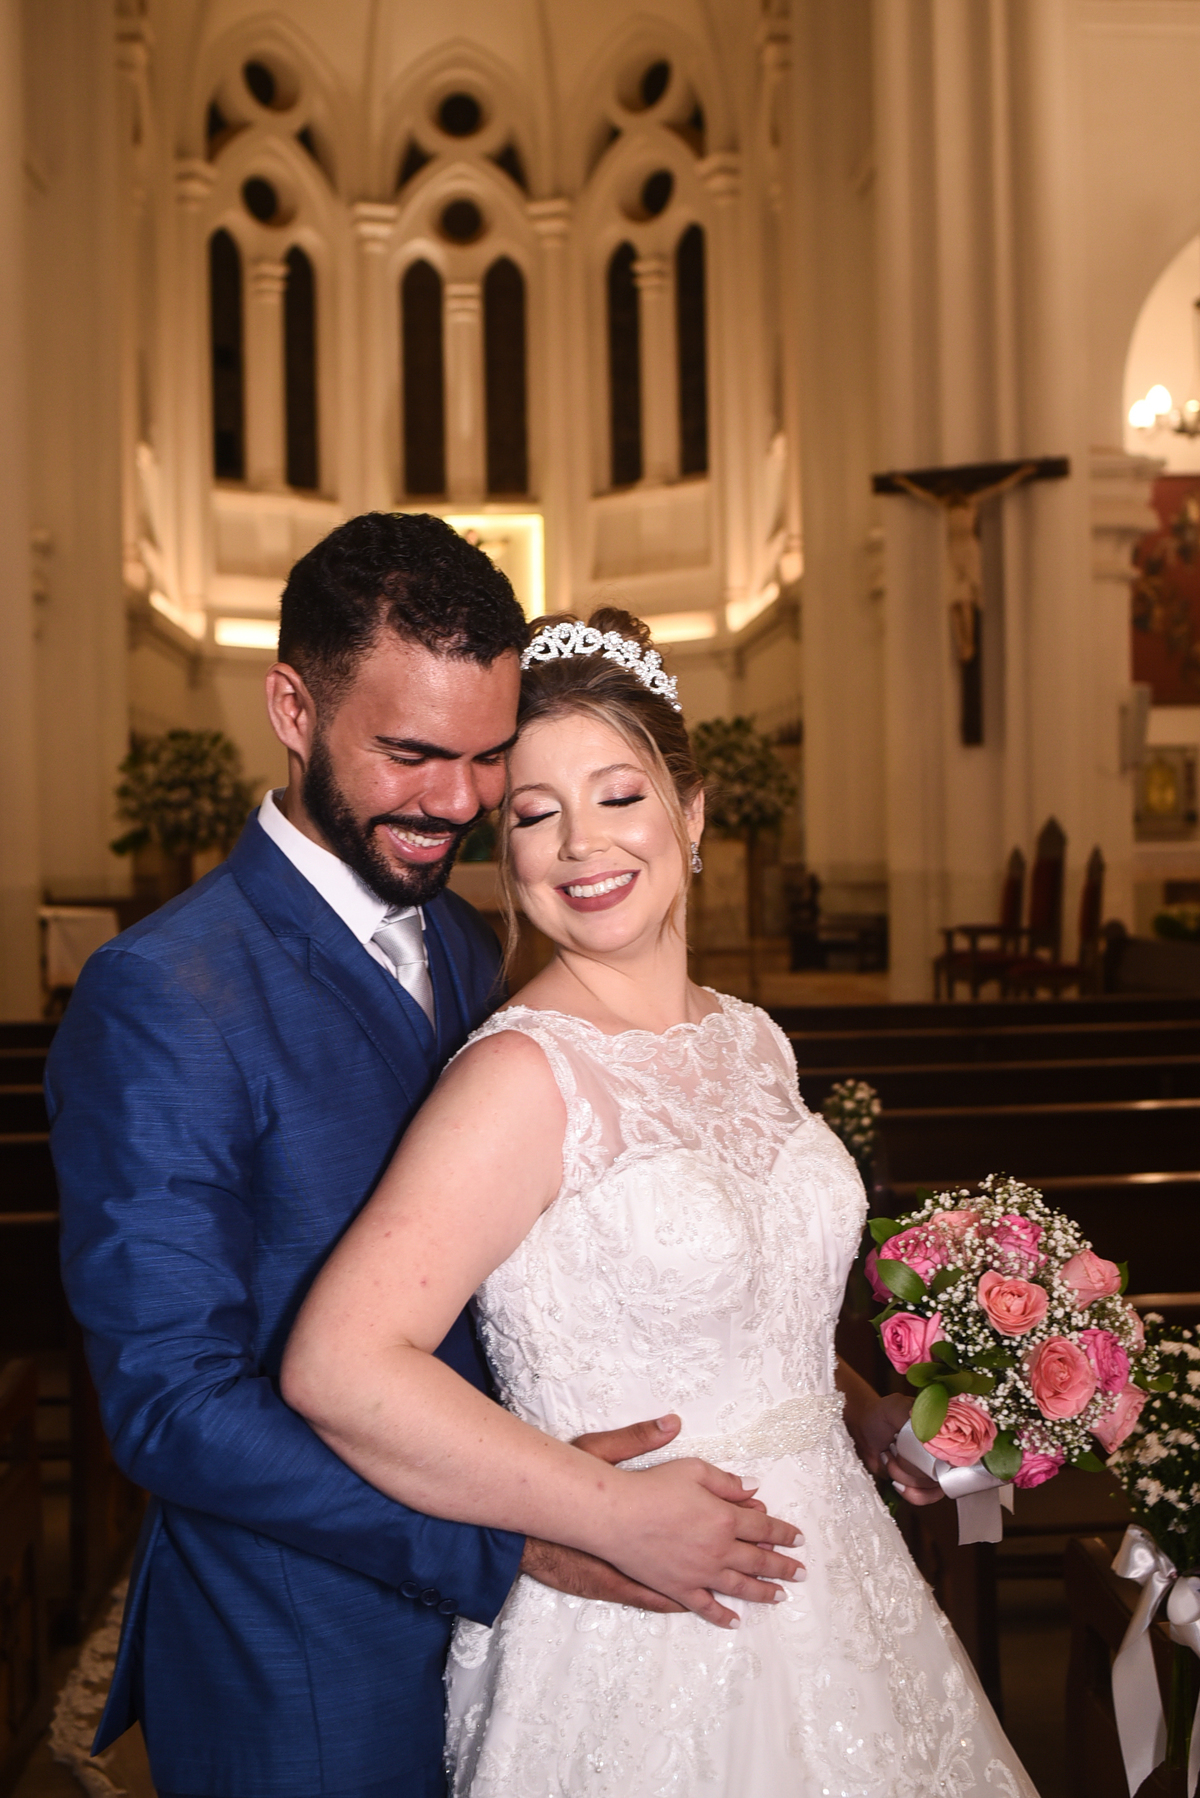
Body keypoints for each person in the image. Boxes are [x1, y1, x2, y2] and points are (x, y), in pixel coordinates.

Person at [45, 518, 799, 1798]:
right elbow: (173, 1404)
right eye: (410, 754)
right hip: (305, 1651)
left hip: (557, 1629)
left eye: (488, 756)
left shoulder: (466, 939)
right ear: (293, 704)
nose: (459, 802)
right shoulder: (163, 993)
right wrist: (515, 1542)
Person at [283, 607, 1035, 1796]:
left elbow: (748, 1317)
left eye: (618, 796)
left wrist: (858, 1409)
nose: (581, 845)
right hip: (645, 1621)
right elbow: (340, 1365)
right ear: (506, 851)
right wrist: (607, 1513)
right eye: (535, 813)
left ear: (690, 816)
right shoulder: (521, 1076)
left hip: (841, 1580)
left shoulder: (754, 1041)